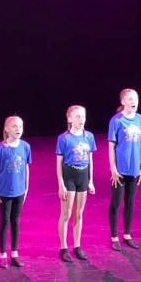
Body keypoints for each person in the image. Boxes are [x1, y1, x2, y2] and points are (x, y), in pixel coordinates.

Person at [108, 88, 141, 251]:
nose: (134, 102)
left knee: (130, 202)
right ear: (123, 101)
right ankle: (114, 237)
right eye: (130, 99)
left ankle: (127, 235)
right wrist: (113, 168)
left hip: (135, 168)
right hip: (120, 169)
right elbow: (111, 146)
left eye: (136, 99)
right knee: (116, 202)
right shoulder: (116, 120)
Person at [56, 105, 96, 262]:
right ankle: (63, 247)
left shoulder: (89, 136)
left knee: (79, 213)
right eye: (78, 116)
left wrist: (90, 181)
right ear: (69, 119)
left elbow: (90, 160)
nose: (81, 119)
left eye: (83, 116)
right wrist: (61, 184)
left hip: (83, 176)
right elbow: (59, 163)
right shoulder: (64, 138)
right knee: (66, 214)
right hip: (69, 176)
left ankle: (77, 246)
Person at [0, 116, 31, 269]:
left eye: (20, 126)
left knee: (16, 221)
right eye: (14, 126)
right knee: (5, 221)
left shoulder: (25, 146)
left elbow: (26, 168)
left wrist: (26, 188)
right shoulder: (1, 148)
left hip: (19, 191)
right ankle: (2, 254)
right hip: (4, 192)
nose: (18, 129)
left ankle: (14, 253)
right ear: (7, 129)